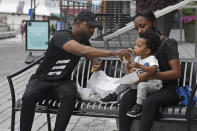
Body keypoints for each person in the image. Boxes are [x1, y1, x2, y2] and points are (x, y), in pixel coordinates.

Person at [20, 10, 129, 131]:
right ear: (77, 23)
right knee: (28, 96)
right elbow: (81, 50)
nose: (92, 30)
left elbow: (88, 51)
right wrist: (114, 53)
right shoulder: (61, 36)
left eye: (94, 27)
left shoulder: (83, 40)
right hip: (42, 80)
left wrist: (94, 59)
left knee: (70, 94)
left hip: (62, 82)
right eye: (89, 26)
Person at [118, 9, 181, 131]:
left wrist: (152, 75)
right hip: (146, 87)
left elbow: (176, 73)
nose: (140, 31)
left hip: (168, 89)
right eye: (137, 28)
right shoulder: (142, 46)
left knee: (149, 102)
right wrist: (126, 61)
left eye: (142, 26)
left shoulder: (168, 43)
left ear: (154, 23)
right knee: (126, 99)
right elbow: (134, 74)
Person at [100, 30, 162, 118]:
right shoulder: (137, 58)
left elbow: (152, 70)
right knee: (126, 78)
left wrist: (140, 66)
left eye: (139, 46)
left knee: (142, 86)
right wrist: (126, 61)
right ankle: (114, 95)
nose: (135, 47)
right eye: (135, 45)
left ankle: (139, 106)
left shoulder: (151, 58)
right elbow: (130, 72)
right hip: (141, 81)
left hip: (154, 84)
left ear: (147, 51)